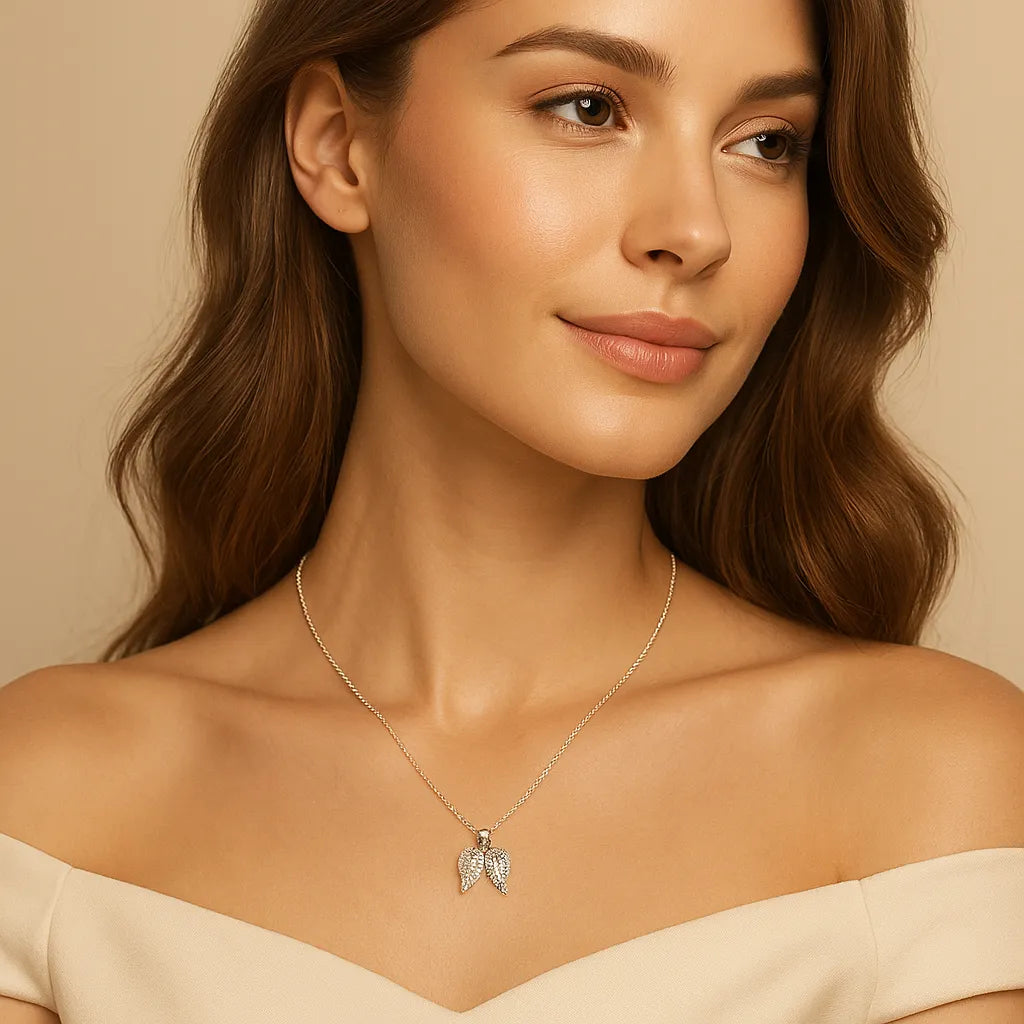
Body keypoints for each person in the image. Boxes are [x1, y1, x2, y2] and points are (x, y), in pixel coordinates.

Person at [2, 0, 1023, 1019]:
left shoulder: (928, 779)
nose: (694, 232)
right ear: (339, 147)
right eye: (587, 107)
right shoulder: (52, 803)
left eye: (764, 142)